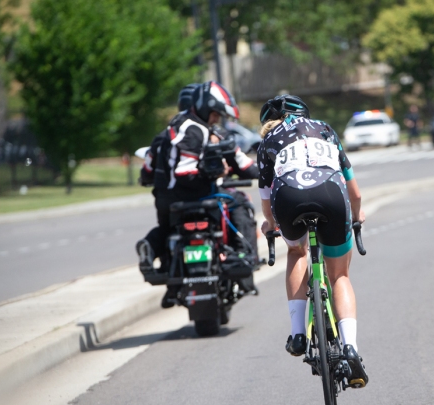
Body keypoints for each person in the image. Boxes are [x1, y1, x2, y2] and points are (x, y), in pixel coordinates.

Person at [256, 94, 369, 388]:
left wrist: (270, 224)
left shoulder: (268, 142)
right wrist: (357, 216)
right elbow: (354, 193)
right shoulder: (325, 129)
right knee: (340, 275)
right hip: (330, 193)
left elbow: (267, 203)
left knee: (296, 250)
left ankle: (297, 333)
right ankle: (351, 348)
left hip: (289, 197)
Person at [136, 81, 259, 307]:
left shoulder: (167, 132)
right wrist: (222, 171)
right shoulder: (204, 132)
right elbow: (241, 165)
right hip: (199, 196)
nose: (217, 119)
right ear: (202, 108)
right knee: (240, 202)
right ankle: (243, 257)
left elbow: (148, 169)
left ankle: (154, 255)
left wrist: (147, 178)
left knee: (165, 231)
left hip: (166, 200)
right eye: (215, 114)